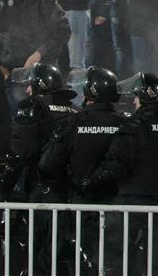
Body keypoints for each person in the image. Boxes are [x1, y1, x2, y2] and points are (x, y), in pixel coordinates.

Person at [84, 72, 158, 276]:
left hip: (132, 203)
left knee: (114, 259)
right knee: (157, 263)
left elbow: (116, 164)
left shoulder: (136, 125)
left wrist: (91, 183)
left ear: (148, 95)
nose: (134, 101)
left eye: (137, 96)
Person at [0, 63, 80, 274]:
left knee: (39, 254)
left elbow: (18, 154)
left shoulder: (33, 106)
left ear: (39, 85)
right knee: (65, 253)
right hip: (73, 194)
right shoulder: (76, 110)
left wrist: (2, 193)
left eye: (30, 85)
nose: (28, 90)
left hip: (42, 194)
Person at [38, 66, 126, 273]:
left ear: (90, 93)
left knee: (82, 261)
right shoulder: (126, 124)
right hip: (119, 206)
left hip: (81, 204)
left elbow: (48, 164)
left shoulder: (74, 123)